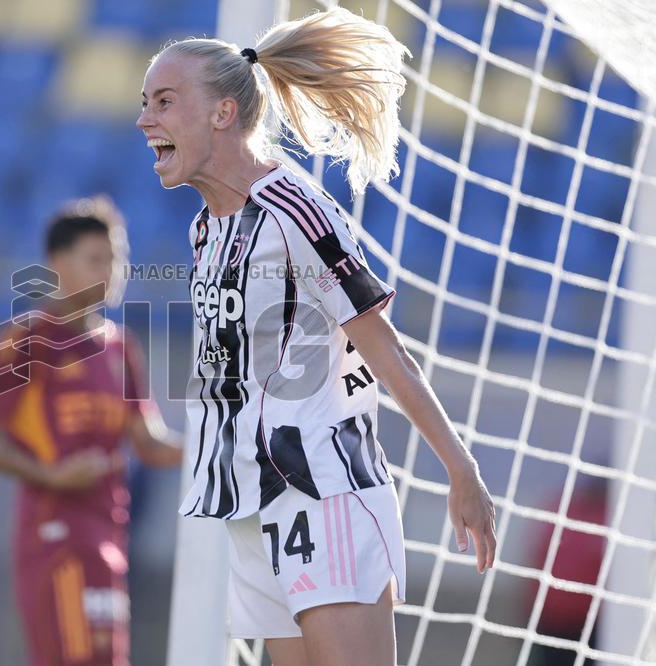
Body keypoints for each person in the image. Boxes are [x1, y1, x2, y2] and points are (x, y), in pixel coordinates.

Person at [136, 8, 497, 666]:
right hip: (251, 503)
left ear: (222, 113)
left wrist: (460, 467)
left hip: (324, 492)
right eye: (144, 103)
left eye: (164, 101)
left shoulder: (295, 210)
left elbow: (384, 347)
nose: (144, 120)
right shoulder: (205, 230)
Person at [0, 196, 183, 666]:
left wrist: (220, 449)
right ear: (58, 263)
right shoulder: (26, 339)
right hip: (55, 535)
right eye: (97, 259)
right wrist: (50, 475)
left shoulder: (121, 347)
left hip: (110, 534)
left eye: (118, 258)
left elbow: (149, 442)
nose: (113, 270)